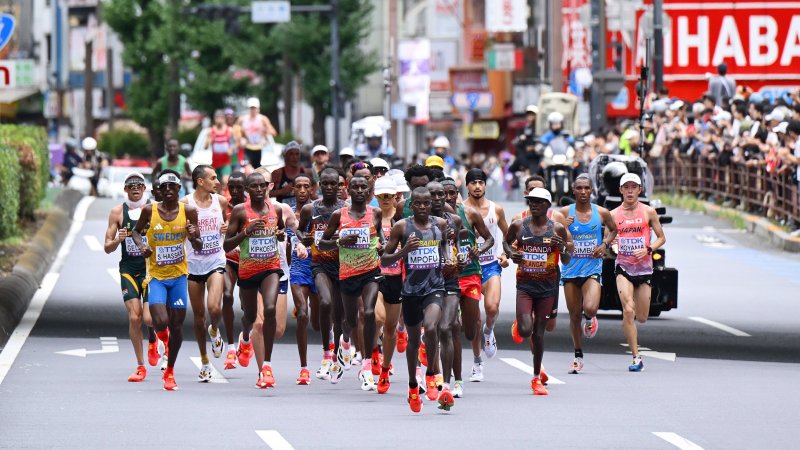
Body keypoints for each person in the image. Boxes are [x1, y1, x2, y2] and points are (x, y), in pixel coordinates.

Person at [381, 186, 456, 412]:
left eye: (427, 203)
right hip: (411, 291)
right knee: (413, 341)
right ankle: (413, 385)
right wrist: (404, 251)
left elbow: (444, 248)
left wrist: (448, 260)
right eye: (418, 203)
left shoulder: (439, 224)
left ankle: (431, 374)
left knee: (431, 327)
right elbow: (385, 260)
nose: (423, 207)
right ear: (411, 205)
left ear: (432, 204)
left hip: (435, 287)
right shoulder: (402, 227)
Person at [132, 170, 203, 391]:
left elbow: (199, 245)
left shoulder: (188, 211)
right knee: (160, 321)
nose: (169, 190)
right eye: (165, 187)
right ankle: (163, 338)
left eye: (173, 186)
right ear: (159, 191)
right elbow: (136, 232)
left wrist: (194, 235)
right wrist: (142, 246)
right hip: (157, 277)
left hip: (179, 277)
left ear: (179, 189)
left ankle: (170, 372)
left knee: (177, 325)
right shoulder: (149, 210)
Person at [318, 175, 384, 391]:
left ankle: (366, 367)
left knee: (369, 312)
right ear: (348, 190)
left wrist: (383, 247)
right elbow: (322, 244)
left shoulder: (376, 213)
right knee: (350, 320)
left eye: (363, 187)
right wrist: (340, 241)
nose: (359, 190)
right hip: (347, 273)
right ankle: (345, 341)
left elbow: (381, 238)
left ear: (369, 190)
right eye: (355, 187)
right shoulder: (339, 215)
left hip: (371, 271)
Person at [505, 188, 572, 395]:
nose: (533, 204)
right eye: (531, 201)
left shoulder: (557, 229)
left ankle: (536, 378)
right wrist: (512, 253)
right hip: (525, 285)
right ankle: (520, 322)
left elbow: (566, 259)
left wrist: (562, 247)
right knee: (526, 330)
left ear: (547, 205)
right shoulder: (518, 226)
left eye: (538, 201)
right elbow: (506, 243)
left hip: (547, 288)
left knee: (539, 333)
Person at [223, 171, 286, 388]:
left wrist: (281, 235)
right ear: (248, 190)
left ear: (268, 187)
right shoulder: (240, 211)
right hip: (248, 271)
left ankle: (266, 366)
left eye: (262, 186)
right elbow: (227, 245)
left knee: (269, 309)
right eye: (254, 186)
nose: (259, 189)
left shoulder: (276, 209)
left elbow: (281, 231)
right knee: (250, 316)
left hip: (271, 268)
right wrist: (246, 232)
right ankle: (245, 338)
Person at [558, 174, 617, 373]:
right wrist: (563, 227)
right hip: (570, 270)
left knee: (590, 308)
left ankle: (591, 318)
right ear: (573, 190)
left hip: (592, 267)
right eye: (579, 188)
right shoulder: (564, 213)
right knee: (574, 315)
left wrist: (604, 244)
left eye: (587, 188)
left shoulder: (601, 212)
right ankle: (578, 355)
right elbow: (552, 233)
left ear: (592, 190)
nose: (583, 192)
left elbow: (614, 230)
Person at [441, 177, 495, 395]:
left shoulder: (470, 213)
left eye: (451, 193)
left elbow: (489, 239)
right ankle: (456, 380)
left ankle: (469, 323)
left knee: (471, 332)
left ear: (457, 194)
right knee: (452, 327)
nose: (447, 197)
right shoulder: (434, 219)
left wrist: (478, 251)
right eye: (443, 193)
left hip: (470, 275)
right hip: (448, 278)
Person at [103, 171, 158, 382]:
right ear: (125, 189)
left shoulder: (154, 209)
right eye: (131, 186)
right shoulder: (117, 212)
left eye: (139, 185)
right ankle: (141, 365)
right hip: (128, 269)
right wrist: (118, 239)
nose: (135, 189)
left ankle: (153, 338)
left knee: (149, 319)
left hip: (150, 269)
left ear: (144, 188)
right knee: (135, 318)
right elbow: (107, 247)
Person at [296, 167, 347, 383]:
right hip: (320, 264)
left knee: (340, 315)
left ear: (340, 186)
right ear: (319, 185)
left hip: (343, 265)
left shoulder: (346, 209)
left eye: (333, 184)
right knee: (325, 302)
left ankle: (337, 355)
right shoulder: (310, 208)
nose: (329, 187)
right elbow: (300, 230)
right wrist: (304, 239)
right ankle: (327, 353)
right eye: (325, 183)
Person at [612, 173, 666, 372]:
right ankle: (636, 357)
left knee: (642, 317)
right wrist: (613, 245)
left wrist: (648, 249)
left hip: (644, 268)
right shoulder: (613, 214)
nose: (630, 191)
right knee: (628, 310)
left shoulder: (648, 212)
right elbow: (609, 237)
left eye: (633, 187)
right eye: (626, 187)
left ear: (639, 190)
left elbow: (661, 238)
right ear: (620, 190)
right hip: (623, 267)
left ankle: (631, 323)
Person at [182, 165, 229, 382]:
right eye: (213, 178)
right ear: (200, 181)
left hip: (215, 260)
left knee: (214, 308)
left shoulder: (221, 202)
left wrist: (226, 227)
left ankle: (215, 330)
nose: (217, 182)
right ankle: (204, 362)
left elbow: (227, 223)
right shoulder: (185, 204)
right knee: (199, 316)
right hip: (193, 265)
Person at [462, 168, 509, 372]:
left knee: (491, 308)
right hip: (469, 268)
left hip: (490, 266)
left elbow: (509, 235)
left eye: (480, 182)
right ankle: (477, 361)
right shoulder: (461, 210)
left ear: (485, 185)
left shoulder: (496, 209)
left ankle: (489, 331)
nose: (477, 186)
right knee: (473, 320)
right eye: (473, 183)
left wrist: (505, 254)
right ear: (467, 186)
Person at [373, 176, 401, 394]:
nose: (385, 199)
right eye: (381, 196)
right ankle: (374, 348)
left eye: (388, 196)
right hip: (375, 275)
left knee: (391, 329)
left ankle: (384, 369)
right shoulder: (371, 217)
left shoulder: (402, 221)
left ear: (395, 197)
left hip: (397, 277)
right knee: (378, 318)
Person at [288, 174, 316, 384]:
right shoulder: (287, 214)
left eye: (306, 186)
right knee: (303, 314)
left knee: (319, 321)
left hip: (319, 267)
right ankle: (304, 368)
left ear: (312, 189)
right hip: (298, 269)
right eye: (299, 186)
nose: (303, 190)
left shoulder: (319, 211)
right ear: (293, 189)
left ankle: (329, 350)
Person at [222, 171, 247, 369]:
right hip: (229, 259)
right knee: (227, 295)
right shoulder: (223, 206)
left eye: (239, 187)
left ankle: (244, 338)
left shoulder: (251, 206)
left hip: (248, 261)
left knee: (248, 308)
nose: (235, 191)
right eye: (232, 187)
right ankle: (230, 348)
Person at [238, 97, 277, 169]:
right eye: (251, 108)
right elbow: (234, 131)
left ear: (258, 108)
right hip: (247, 148)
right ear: (248, 108)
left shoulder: (263, 119)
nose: (253, 110)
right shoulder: (242, 119)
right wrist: (241, 136)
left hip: (259, 148)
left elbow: (273, 132)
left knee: (258, 170)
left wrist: (266, 131)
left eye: (254, 108)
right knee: (248, 169)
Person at [270, 141, 312, 210]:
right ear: (285, 156)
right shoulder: (277, 173)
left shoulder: (307, 172)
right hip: (284, 212)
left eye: (297, 154)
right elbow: (266, 193)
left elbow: (315, 190)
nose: (295, 157)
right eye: (291, 154)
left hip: (303, 212)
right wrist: (282, 191)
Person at [205, 110, 235, 188]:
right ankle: (220, 195)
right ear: (214, 119)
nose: (219, 119)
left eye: (221, 117)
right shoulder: (211, 131)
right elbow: (205, 147)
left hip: (226, 161)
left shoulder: (229, 130)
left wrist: (231, 149)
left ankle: (226, 194)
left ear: (224, 119)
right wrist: (209, 140)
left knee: (225, 181)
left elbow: (237, 143)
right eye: (217, 117)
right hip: (215, 161)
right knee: (216, 185)